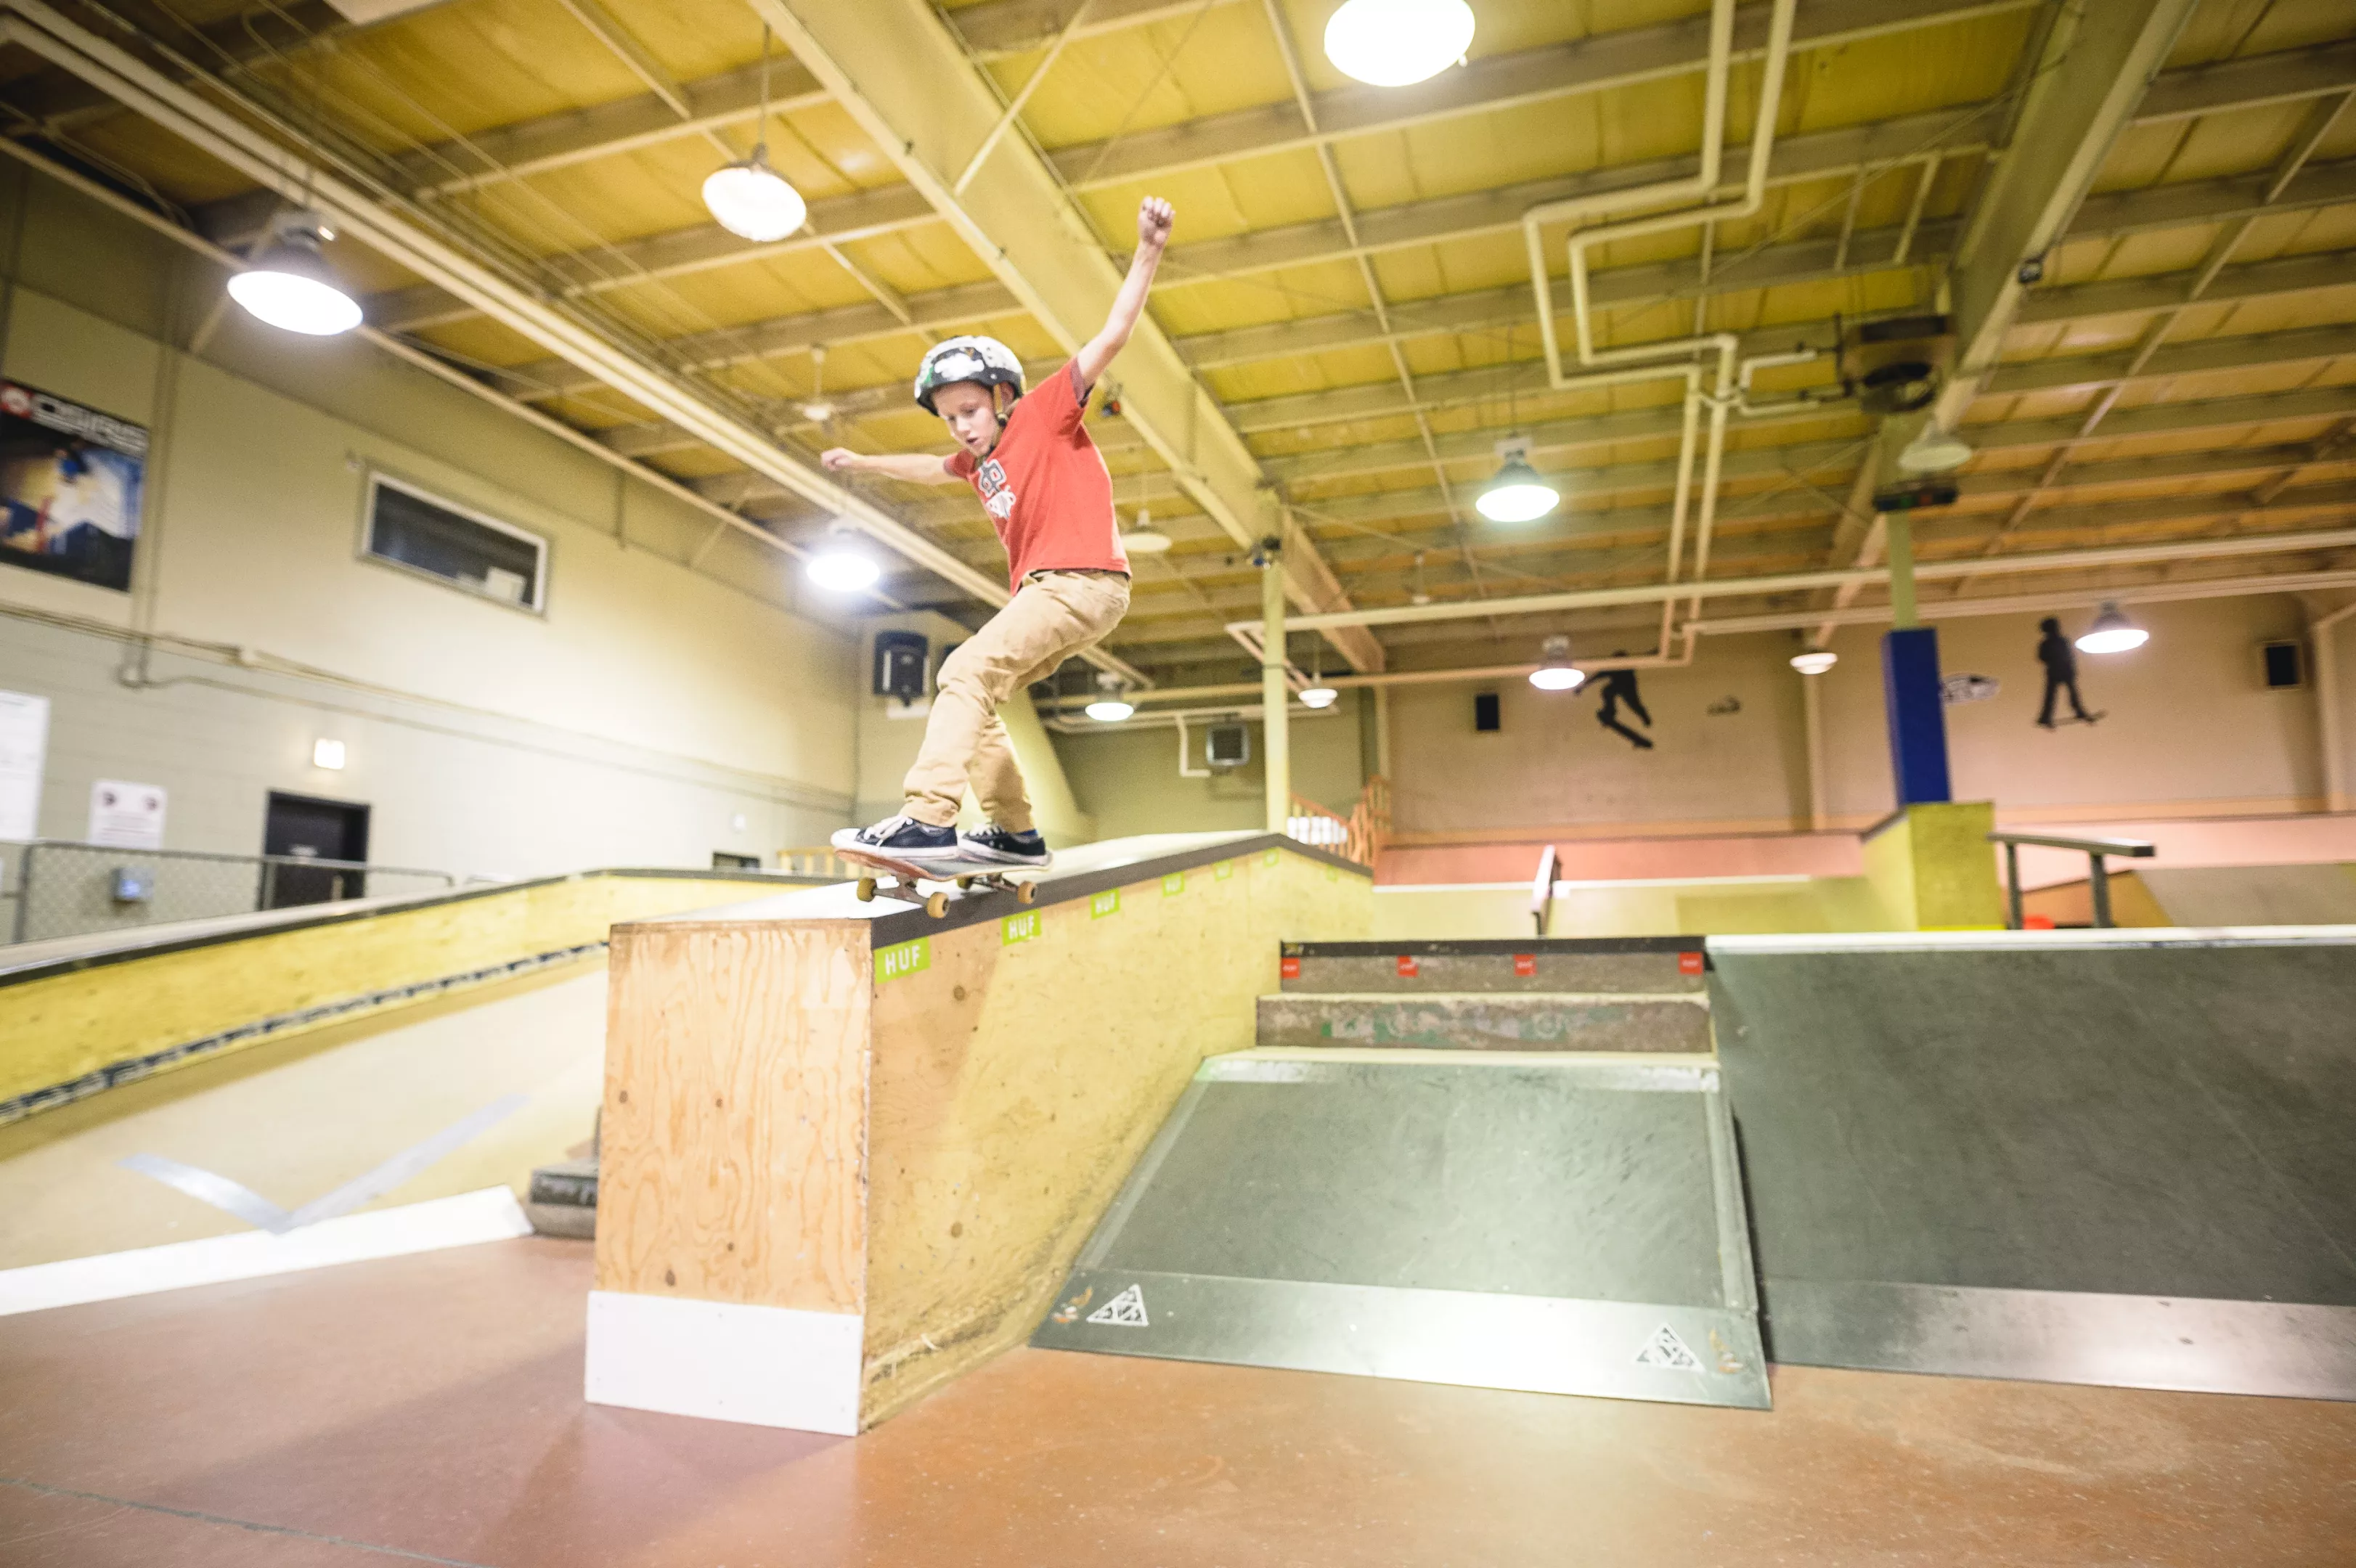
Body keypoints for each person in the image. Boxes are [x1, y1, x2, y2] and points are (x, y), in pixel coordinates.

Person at [823, 196, 1176, 871]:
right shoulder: (973, 460)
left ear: (1002, 396)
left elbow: (1110, 338)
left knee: (962, 671)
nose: (960, 426)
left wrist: (1148, 251)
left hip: (1078, 580)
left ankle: (928, 817)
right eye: (949, 417)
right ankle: (1015, 832)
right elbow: (928, 469)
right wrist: (860, 460)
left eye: (969, 410)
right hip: (1069, 594)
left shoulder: (1045, 414)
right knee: (974, 693)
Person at [2035, 616, 2100, 728]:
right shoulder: (2054, 642)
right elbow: (2043, 657)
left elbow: (2069, 656)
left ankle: (2076, 712)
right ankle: (2047, 716)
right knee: (2054, 695)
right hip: (2059, 671)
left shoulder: (2057, 642)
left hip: (2061, 670)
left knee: (2064, 694)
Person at [1594, 656, 1653, 750]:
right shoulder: (1613, 668)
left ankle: (1645, 718)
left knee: (1633, 704)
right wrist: (1581, 687)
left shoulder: (1622, 666)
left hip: (1627, 688)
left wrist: (1581, 687)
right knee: (1608, 692)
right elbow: (1596, 676)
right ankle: (1610, 711)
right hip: (1623, 688)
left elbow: (1596, 677)